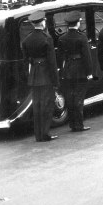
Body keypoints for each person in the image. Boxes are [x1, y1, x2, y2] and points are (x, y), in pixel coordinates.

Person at [21, 11, 60, 142]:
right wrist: (55, 81)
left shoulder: (27, 39)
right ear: (43, 22)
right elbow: (52, 62)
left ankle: (38, 134)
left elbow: (26, 60)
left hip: (34, 75)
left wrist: (29, 75)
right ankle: (45, 133)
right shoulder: (47, 38)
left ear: (33, 24)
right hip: (46, 75)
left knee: (36, 106)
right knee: (46, 106)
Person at [57, 11, 93, 132]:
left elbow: (60, 57)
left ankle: (72, 124)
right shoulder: (82, 37)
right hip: (80, 70)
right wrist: (89, 72)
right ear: (77, 23)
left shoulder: (62, 38)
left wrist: (62, 71)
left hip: (67, 70)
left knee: (70, 98)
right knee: (79, 99)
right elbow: (86, 56)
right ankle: (79, 124)